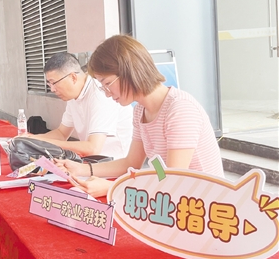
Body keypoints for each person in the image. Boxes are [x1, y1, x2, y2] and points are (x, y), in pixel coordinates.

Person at [59, 35, 224, 197]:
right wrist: (81, 169)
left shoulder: (180, 109)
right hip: (173, 199)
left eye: (107, 83)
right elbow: (130, 163)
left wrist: (112, 187)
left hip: (204, 205)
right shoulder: (140, 111)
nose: (107, 94)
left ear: (129, 72)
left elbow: (173, 182)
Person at [23, 52, 133, 158]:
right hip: (92, 161)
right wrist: (31, 139)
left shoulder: (99, 94)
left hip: (114, 163)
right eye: (49, 84)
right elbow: (61, 133)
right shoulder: (73, 96)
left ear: (73, 77)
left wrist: (42, 142)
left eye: (54, 83)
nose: (52, 89)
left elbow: (93, 148)